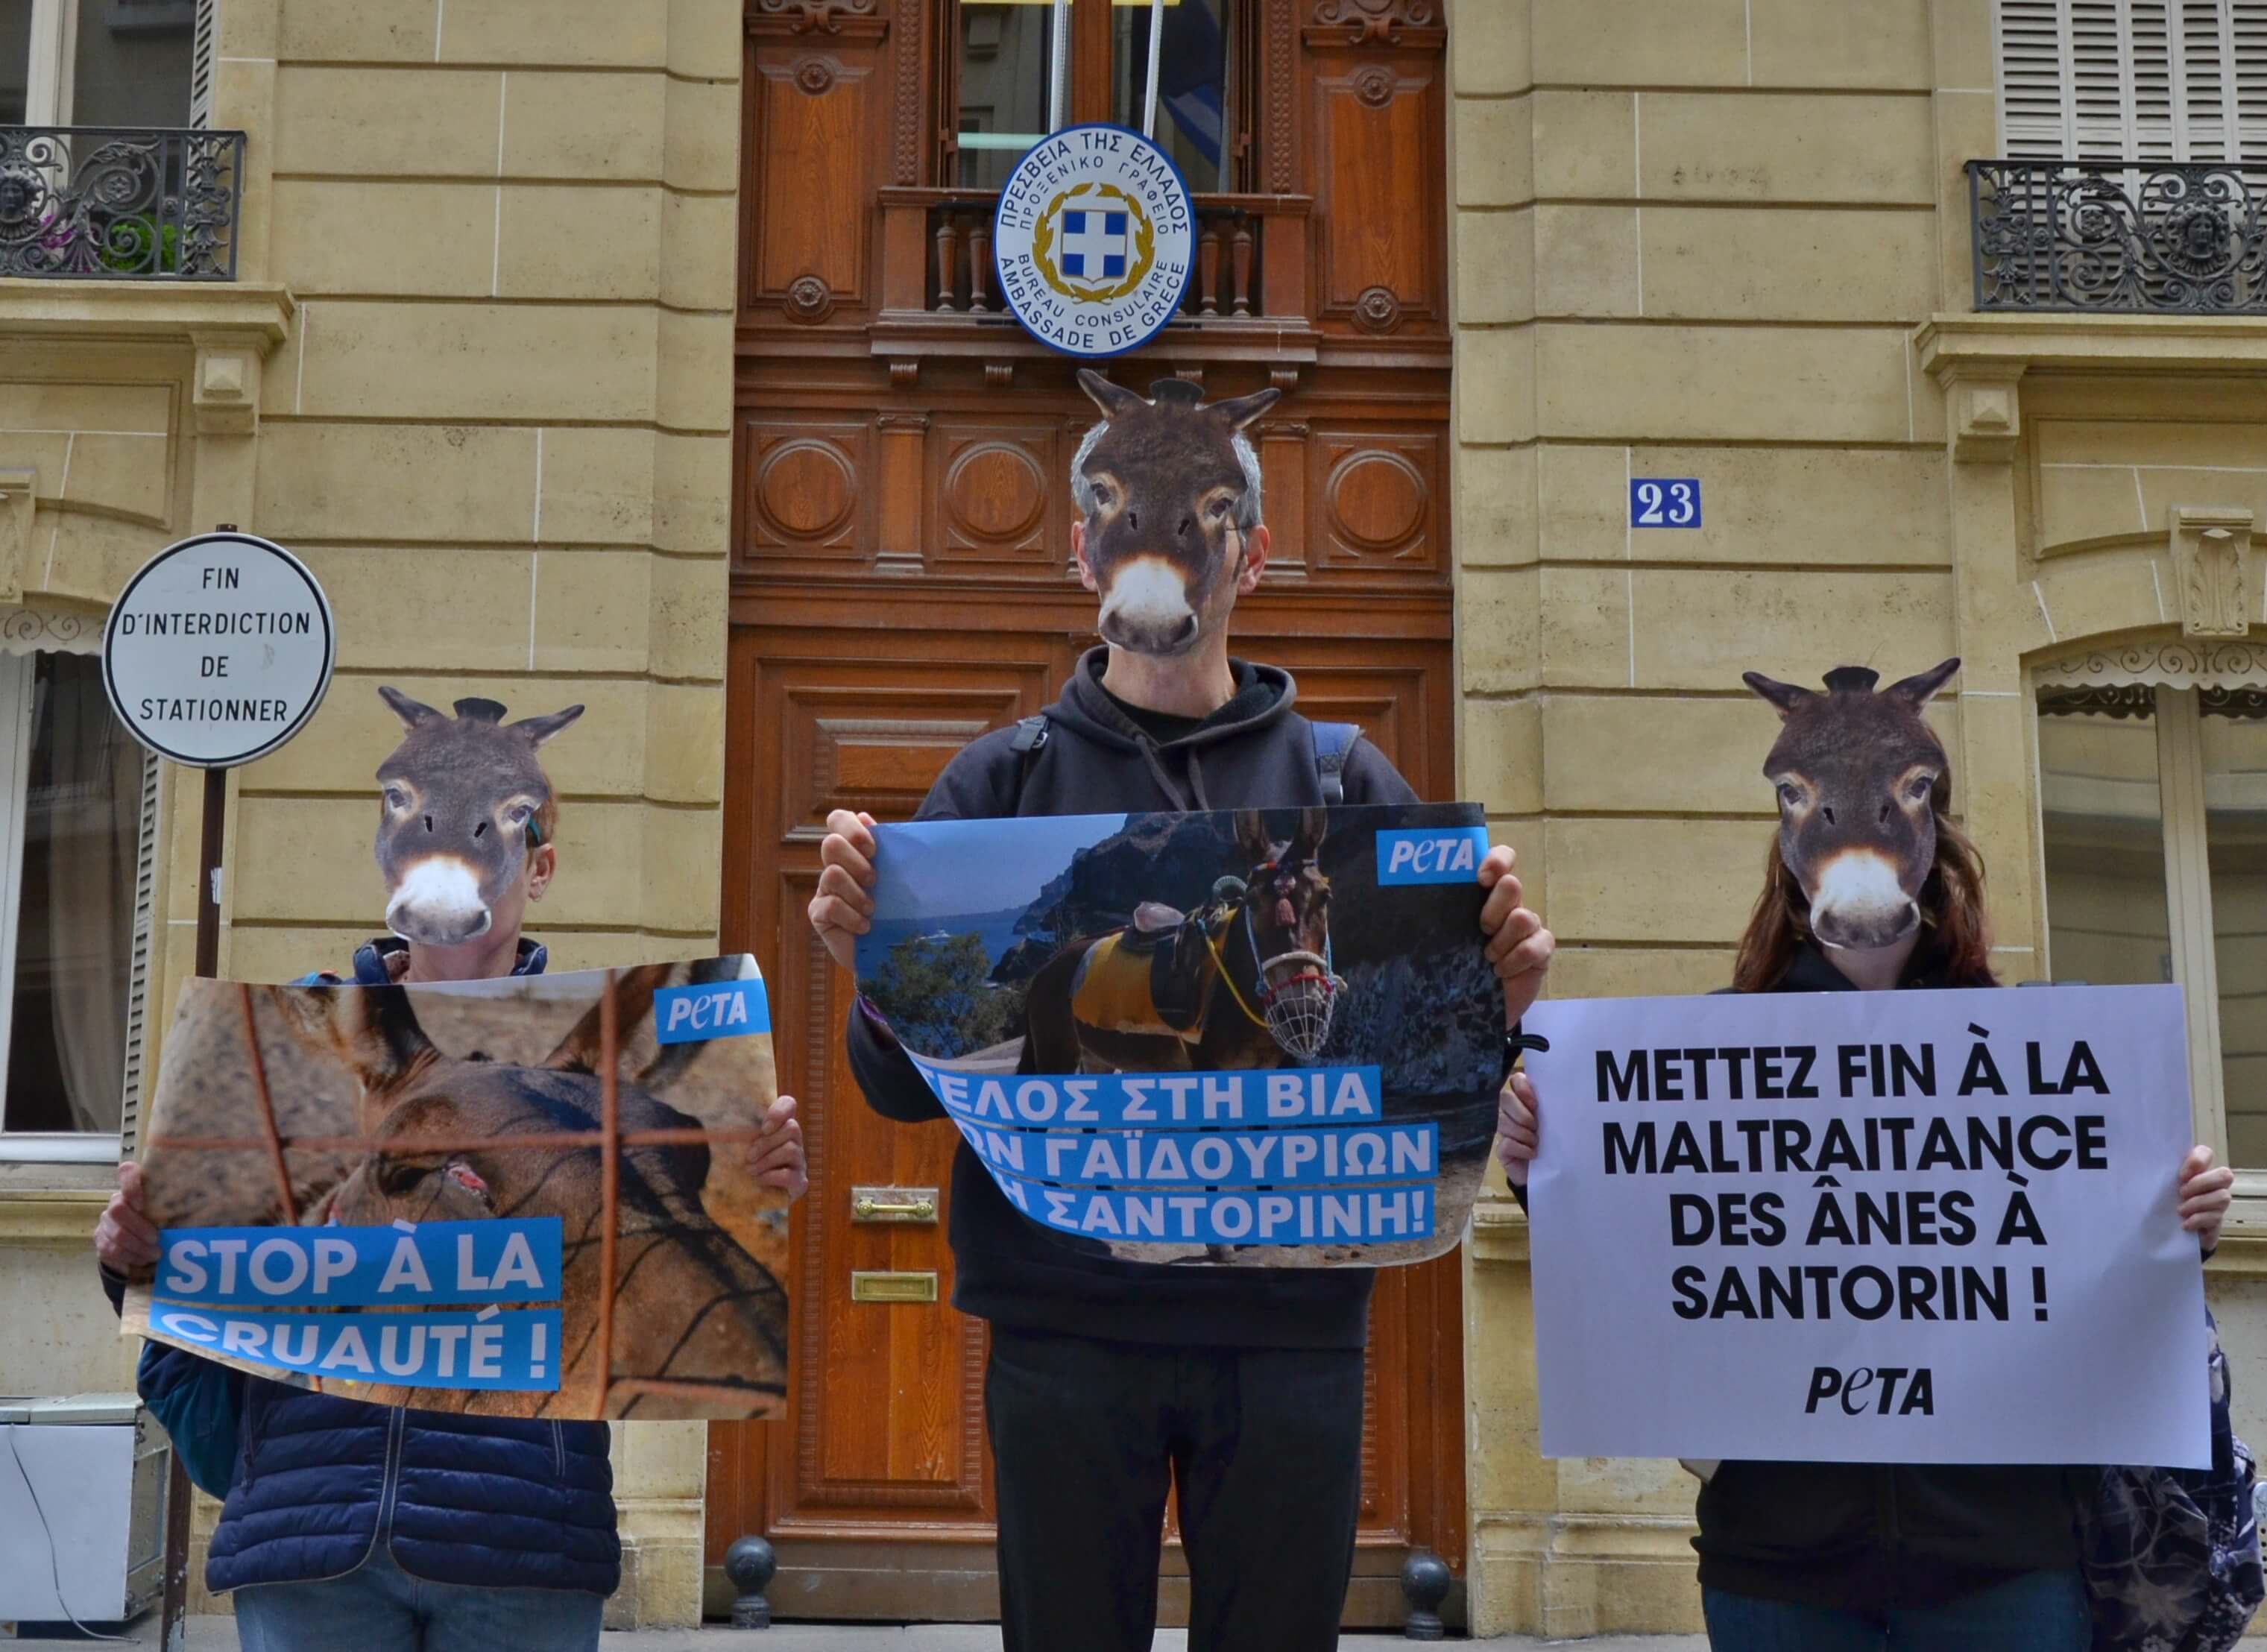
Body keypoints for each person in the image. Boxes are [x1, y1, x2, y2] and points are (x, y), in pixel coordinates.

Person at [807, 373, 1555, 1652]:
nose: (1156, 545)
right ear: (1078, 548)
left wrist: (1506, 998)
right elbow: (892, 1092)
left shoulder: (1347, 782)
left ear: (1251, 557)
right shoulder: (999, 780)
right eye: (1118, 511)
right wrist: (864, 976)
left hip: (1291, 1332)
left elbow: (1412, 1063)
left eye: (1198, 517)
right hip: (1060, 1325)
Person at [1493, 661, 2236, 1652]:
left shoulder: (2044, 1056)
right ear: (1786, 830)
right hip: (1780, 1562)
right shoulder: (1696, 1055)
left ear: (1932, 828)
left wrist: (2183, 1215)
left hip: (2003, 1557)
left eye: (1903, 799)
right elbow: (1644, 1254)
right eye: (1808, 802)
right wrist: (1538, 1166)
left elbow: (2092, 1270)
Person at [94, 692, 808, 1652]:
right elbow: (192, 1279)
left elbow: (660, 1272)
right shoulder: (281, 1041)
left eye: (500, 832)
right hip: (313, 1535)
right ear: (385, 850)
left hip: (520, 1542)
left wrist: (751, 1186)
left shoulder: (613, 1077)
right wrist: (131, 1251)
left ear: (540, 867)